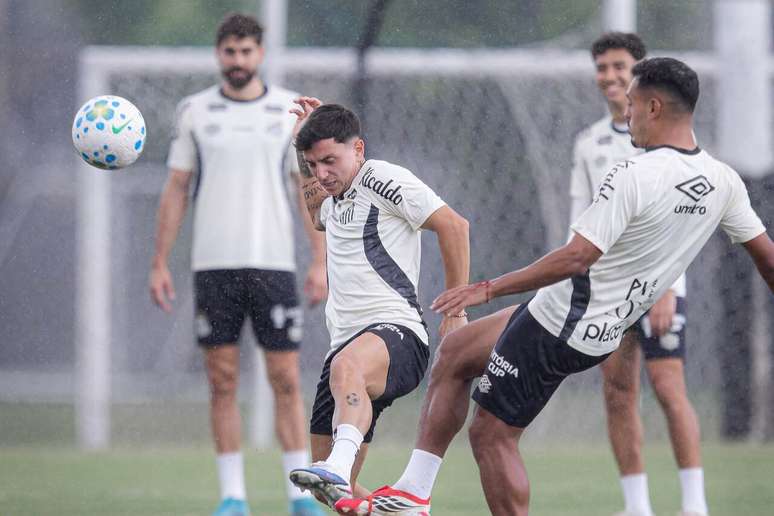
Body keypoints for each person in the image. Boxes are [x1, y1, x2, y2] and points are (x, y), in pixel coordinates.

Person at [337, 57, 774, 516]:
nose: (626, 115)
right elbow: (766, 258)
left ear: (654, 106)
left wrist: (487, 288)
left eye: (631, 104)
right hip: (595, 324)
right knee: (457, 351)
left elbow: (577, 256)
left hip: (563, 321)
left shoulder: (635, 173)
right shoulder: (723, 181)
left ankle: (418, 496)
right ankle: (413, 493)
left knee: (491, 434)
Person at [148, 13, 327, 516]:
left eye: (247, 51)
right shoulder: (195, 111)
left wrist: (319, 261)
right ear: (218, 54)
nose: (239, 60)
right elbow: (177, 188)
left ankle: (299, 496)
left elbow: (305, 189)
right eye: (230, 51)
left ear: (261, 54)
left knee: (286, 381)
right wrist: (159, 261)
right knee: (221, 380)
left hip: (273, 266)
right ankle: (233, 497)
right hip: (214, 266)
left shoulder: (288, 111)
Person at [284, 99, 470, 511]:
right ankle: (399, 508)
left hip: (397, 334)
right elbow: (316, 213)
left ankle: (337, 463)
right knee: (335, 492)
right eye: (315, 164)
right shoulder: (333, 198)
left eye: (330, 160)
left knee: (344, 372)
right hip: (347, 350)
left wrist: (456, 311)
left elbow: (454, 226)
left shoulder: (380, 178)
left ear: (359, 149)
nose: (322, 173)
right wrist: (301, 149)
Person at [570, 32, 704, 516]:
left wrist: (667, 285)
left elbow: (686, 216)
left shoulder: (668, 139)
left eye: (619, 66)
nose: (610, 76)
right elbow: (580, 220)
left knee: (669, 389)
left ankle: (694, 504)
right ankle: (637, 506)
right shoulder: (589, 143)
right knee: (618, 390)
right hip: (609, 290)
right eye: (602, 67)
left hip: (662, 284)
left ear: (640, 71)